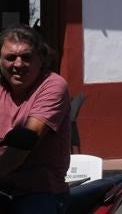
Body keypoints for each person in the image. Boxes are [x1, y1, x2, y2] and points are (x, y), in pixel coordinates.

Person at [0, 26, 71, 213]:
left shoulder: (53, 85)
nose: (18, 64)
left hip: (38, 191)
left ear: (41, 59)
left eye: (26, 57)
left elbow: (25, 143)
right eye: (10, 57)